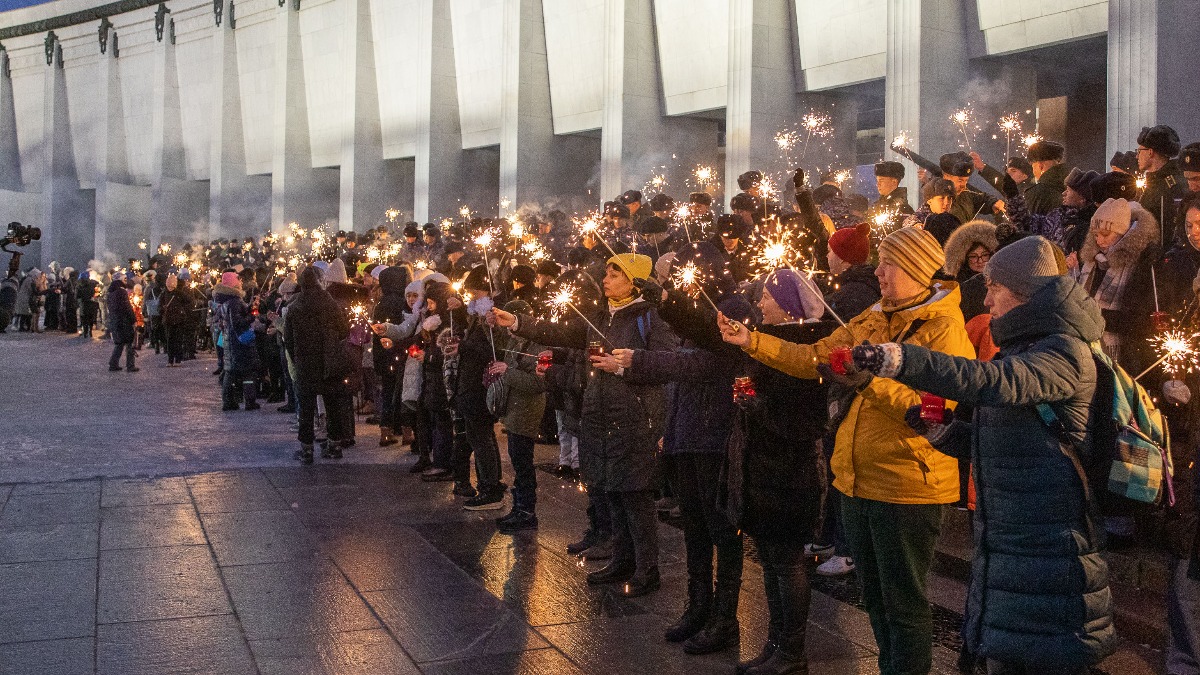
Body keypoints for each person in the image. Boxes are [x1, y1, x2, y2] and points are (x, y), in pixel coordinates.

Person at [848, 236, 1117, 674]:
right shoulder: (1027, 346)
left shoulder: (1063, 351)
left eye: (994, 287)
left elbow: (992, 382)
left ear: (1024, 292)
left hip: (1052, 546)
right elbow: (1009, 443)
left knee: (1044, 657)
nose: (986, 298)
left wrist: (900, 359)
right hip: (1012, 539)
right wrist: (941, 431)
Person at [720, 227, 974, 675]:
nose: (877, 270)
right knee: (874, 597)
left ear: (915, 269)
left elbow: (934, 413)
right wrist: (750, 340)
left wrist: (867, 382)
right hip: (856, 479)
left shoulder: (945, 330)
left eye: (888, 263)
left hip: (908, 485)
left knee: (903, 601)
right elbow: (813, 355)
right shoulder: (877, 314)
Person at [491, 253, 677, 598]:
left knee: (635, 496)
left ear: (633, 282)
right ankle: (621, 560)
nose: (605, 280)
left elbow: (667, 364)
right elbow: (560, 332)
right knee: (612, 490)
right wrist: (516, 321)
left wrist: (624, 365)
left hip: (635, 418)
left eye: (614, 274)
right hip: (599, 413)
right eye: (606, 273)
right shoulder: (600, 316)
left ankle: (646, 568)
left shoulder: (651, 317)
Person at [1078, 197, 1161, 374]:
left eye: (1105, 234)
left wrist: (1093, 316)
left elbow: (1136, 318)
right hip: (1089, 349)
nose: (1099, 240)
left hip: (1123, 353)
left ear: (1123, 234)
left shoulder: (1139, 265)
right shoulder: (1093, 262)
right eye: (1095, 235)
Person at [283, 266, 353, 464]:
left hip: (306, 363)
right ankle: (334, 445)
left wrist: (297, 358)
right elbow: (343, 329)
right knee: (332, 405)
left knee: (306, 408)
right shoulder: (330, 304)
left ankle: (306, 449)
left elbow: (288, 338)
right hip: (329, 362)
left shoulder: (296, 306)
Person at [489, 299, 547, 532]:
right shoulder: (516, 340)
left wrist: (507, 371)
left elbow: (537, 383)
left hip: (527, 409)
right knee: (517, 458)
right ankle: (519, 506)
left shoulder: (537, 346)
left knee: (523, 461)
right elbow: (497, 342)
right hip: (514, 408)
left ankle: (526, 511)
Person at [825, 222, 880, 320]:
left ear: (841, 257)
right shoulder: (853, 281)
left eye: (829, 251)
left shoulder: (854, 293)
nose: (827, 256)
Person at [105, 274, 138, 372]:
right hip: (124, 322)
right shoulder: (122, 292)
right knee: (129, 343)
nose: (126, 281)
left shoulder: (110, 293)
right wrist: (133, 320)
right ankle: (130, 365)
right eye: (124, 279)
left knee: (119, 343)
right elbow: (127, 307)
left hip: (115, 321)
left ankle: (113, 363)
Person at [160, 273, 192, 366]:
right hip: (169, 320)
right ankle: (170, 360)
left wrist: (182, 309)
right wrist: (163, 308)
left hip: (178, 319)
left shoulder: (178, 293)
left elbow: (189, 301)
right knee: (170, 340)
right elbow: (159, 306)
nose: (170, 287)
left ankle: (177, 360)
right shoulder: (164, 293)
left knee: (177, 340)